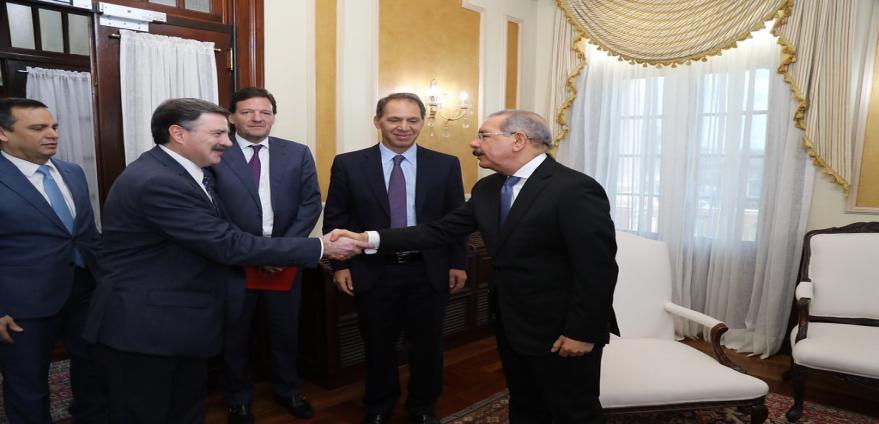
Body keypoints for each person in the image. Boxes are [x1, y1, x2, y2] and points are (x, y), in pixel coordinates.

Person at [81, 98, 368, 424]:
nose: (228, 142)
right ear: (178, 133)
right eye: (217, 133)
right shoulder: (158, 181)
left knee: (184, 410)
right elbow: (226, 243)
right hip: (148, 329)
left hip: (175, 322)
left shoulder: (181, 173)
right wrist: (319, 248)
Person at [330, 110, 619, 424]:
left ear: (518, 140)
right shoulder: (488, 189)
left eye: (484, 136)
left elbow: (597, 269)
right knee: (525, 404)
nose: (473, 143)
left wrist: (582, 332)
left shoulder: (574, 188)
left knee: (572, 411)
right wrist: (367, 239)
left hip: (560, 328)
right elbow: (437, 231)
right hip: (512, 323)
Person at [322, 93, 467, 424]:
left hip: (428, 270)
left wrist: (458, 262)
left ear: (422, 122)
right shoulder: (348, 164)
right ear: (377, 122)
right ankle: (378, 406)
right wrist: (340, 265)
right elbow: (336, 219)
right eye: (394, 119)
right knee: (377, 344)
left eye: (413, 120)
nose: (404, 127)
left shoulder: (445, 164)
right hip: (373, 271)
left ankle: (423, 407)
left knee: (428, 346)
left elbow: (456, 220)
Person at [211, 87, 321, 423]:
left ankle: (288, 390)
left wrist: (282, 251)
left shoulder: (297, 153)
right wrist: (252, 252)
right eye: (247, 112)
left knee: (284, 331)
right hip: (235, 262)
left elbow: (310, 203)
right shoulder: (215, 152)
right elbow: (211, 210)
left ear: (273, 117)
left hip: (283, 261)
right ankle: (238, 398)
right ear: (232, 118)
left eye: (265, 112)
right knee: (235, 335)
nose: (257, 118)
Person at [0, 98, 105, 424]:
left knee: (93, 370)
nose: (52, 134)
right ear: (3, 133)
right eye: (38, 128)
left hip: (85, 291)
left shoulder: (73, 172)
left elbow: (87, 234)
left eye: (54, 126)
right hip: (22, 304)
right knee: (27, 383)